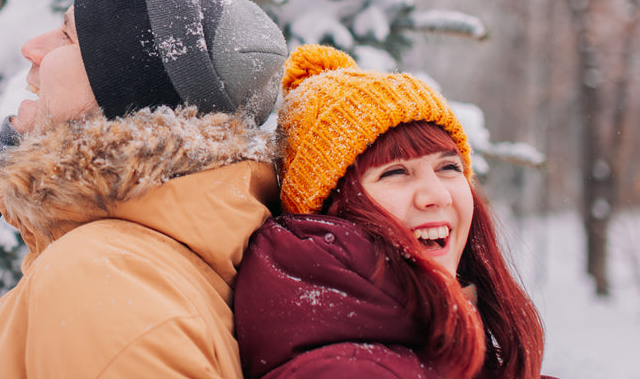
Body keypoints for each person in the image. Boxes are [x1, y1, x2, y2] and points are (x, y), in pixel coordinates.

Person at [0, 0, 288, 379]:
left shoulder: (101, 280)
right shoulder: (131, 266)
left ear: (126, 95)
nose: (32, 47)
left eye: (68, 36)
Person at [234, 44, 550, 379]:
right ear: (330, 209)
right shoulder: (343, 370)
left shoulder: (420, 344)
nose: (438, 195)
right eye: (395, 172)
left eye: (449, 167)